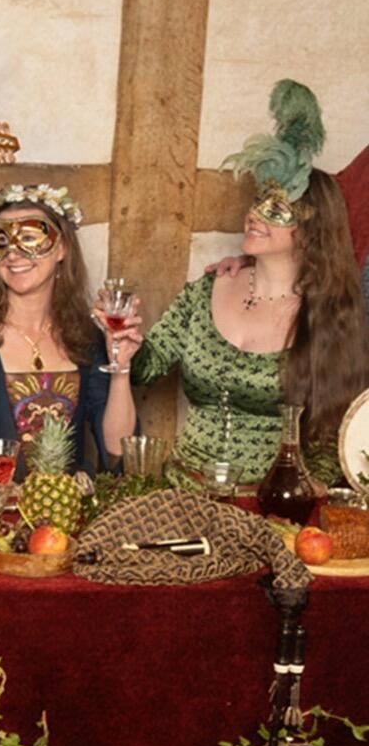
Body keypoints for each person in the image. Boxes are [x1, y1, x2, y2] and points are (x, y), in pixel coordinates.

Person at [117, 81, 369, 490]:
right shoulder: (207, 290)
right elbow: (144, 368)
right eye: (257, 202)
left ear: (311, 230)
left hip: (273, 511)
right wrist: (123, 349)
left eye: (276, 209)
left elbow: (331, 440)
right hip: (183, 496)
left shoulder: (330, 316)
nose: (254, 215)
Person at [0, 184, 136, 494]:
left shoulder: (87, 338)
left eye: (29, 238)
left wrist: (120, 368)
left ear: (62, 247)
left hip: (69, 517)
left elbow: (117, 453)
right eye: (2, 241)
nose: (14, 254)